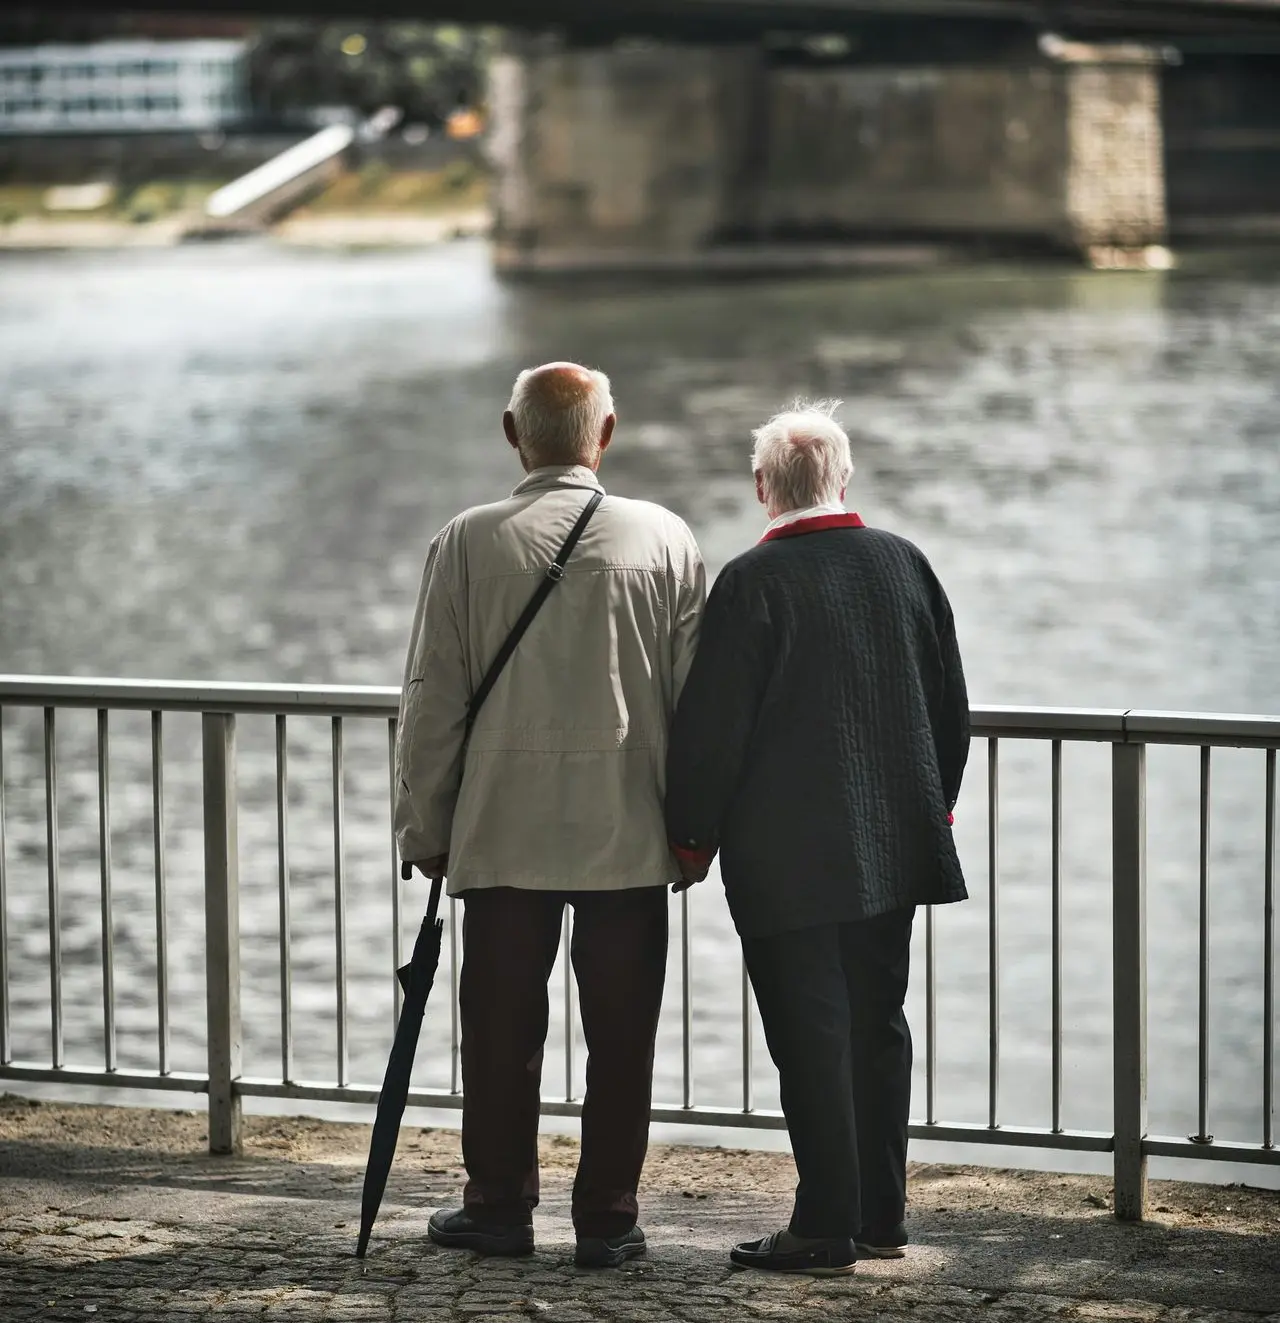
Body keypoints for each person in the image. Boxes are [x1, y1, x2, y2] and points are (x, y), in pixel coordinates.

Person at [395, 362, 705, 1268]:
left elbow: (431, 702)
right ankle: (609, 1215)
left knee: (499, 1034)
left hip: (501, 834)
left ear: (510, 431)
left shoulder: (465, 542)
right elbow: (698, 706)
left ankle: (498, 1206)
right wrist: (694, 835)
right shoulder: (665, 536)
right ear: (605, 435)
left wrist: (427, 827)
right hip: (627, 833)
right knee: (621, 1036)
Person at [664, 401, 969, 1277]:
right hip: (895, 844)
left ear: (763, 488)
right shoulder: (906, 563)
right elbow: (950, 709)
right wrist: (933, 808)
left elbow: (711, 732)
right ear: (844, 478)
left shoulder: (752, 585)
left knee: (809, 1037)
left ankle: (823, 1223)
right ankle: (882, 1217)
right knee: (878, 1023)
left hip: (786, 859)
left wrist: (693, 836)